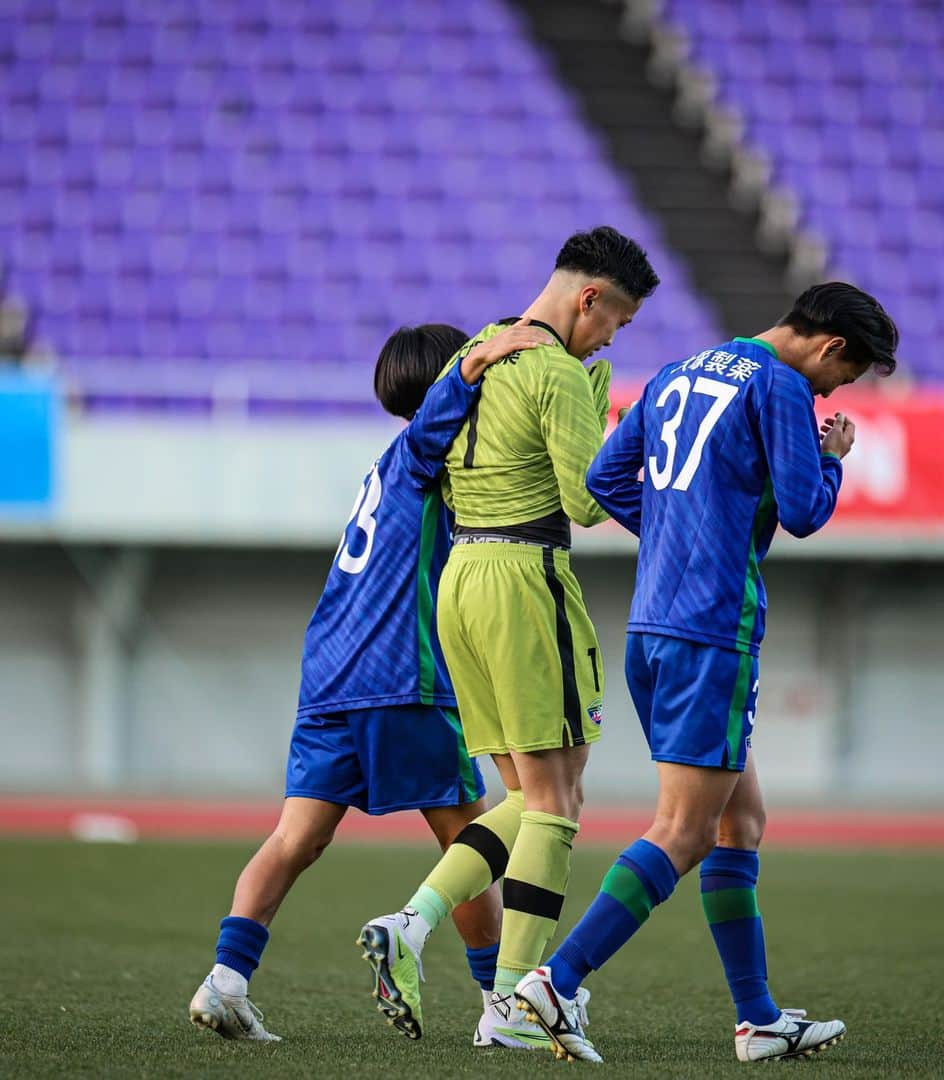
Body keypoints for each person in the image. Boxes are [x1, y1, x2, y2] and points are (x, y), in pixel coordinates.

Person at [515, 282, 899, 1064]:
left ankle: (757, 1021)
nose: (833, 392)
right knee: (685, 830)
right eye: (844, 376)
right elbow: (801, 510)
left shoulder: (680, 371)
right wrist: (830, 460)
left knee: (739, 823)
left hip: (653, 629)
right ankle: (556, 981)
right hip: (712, 632)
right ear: (829, 348)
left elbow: (603, 481)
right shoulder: (784, 385)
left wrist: (680, 534)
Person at [187, 319, 554, 1045]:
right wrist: (486, 355)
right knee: (476, 841)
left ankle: (225, 981)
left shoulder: (386, 465)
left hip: (331, 674)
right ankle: (497, 1003)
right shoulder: (427, 448)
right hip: (400, 675)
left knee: (296, 837)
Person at [360, 226, 660, 1043]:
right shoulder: (558, 371)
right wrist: (605, 408)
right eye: (617, 323)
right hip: (527, 580)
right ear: (589, 298)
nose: (611, 338)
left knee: (526, 798)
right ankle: (515, 1005)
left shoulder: (479, 348)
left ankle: (413, 923)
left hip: (463, 581)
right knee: (558, 806)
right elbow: (586, 501)